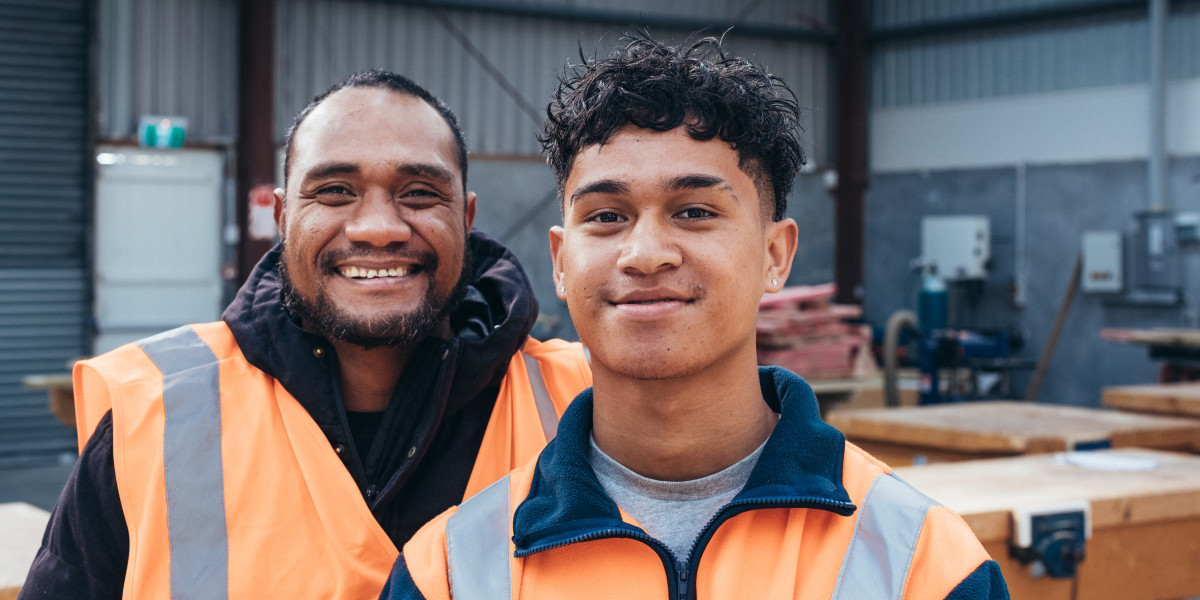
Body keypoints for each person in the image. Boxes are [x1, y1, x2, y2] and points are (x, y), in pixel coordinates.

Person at [380, 35, 1009, 600]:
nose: (646, 254)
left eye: (695, 212)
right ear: (561, 262)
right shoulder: (450, 573)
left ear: (775, 254)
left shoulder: (923, 567)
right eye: (606, 216)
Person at [20, 70, 591, 599]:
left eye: (418, 192)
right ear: (282, 218)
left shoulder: (587, 405)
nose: (377, 228)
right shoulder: (151, 414)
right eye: (335, 191)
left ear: (465, 221)